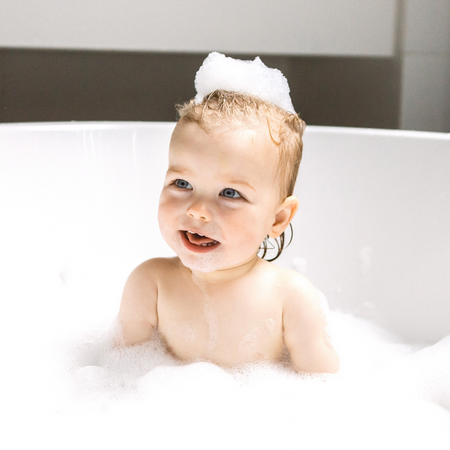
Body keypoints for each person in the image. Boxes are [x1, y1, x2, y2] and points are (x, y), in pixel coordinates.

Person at [116, 53, 340, 373]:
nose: (198, 210)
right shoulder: (149, 285)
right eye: (182, 183)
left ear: (278, 219)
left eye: (230, 194)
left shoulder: (290, 299)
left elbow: (323, 387)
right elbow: (119, 374)